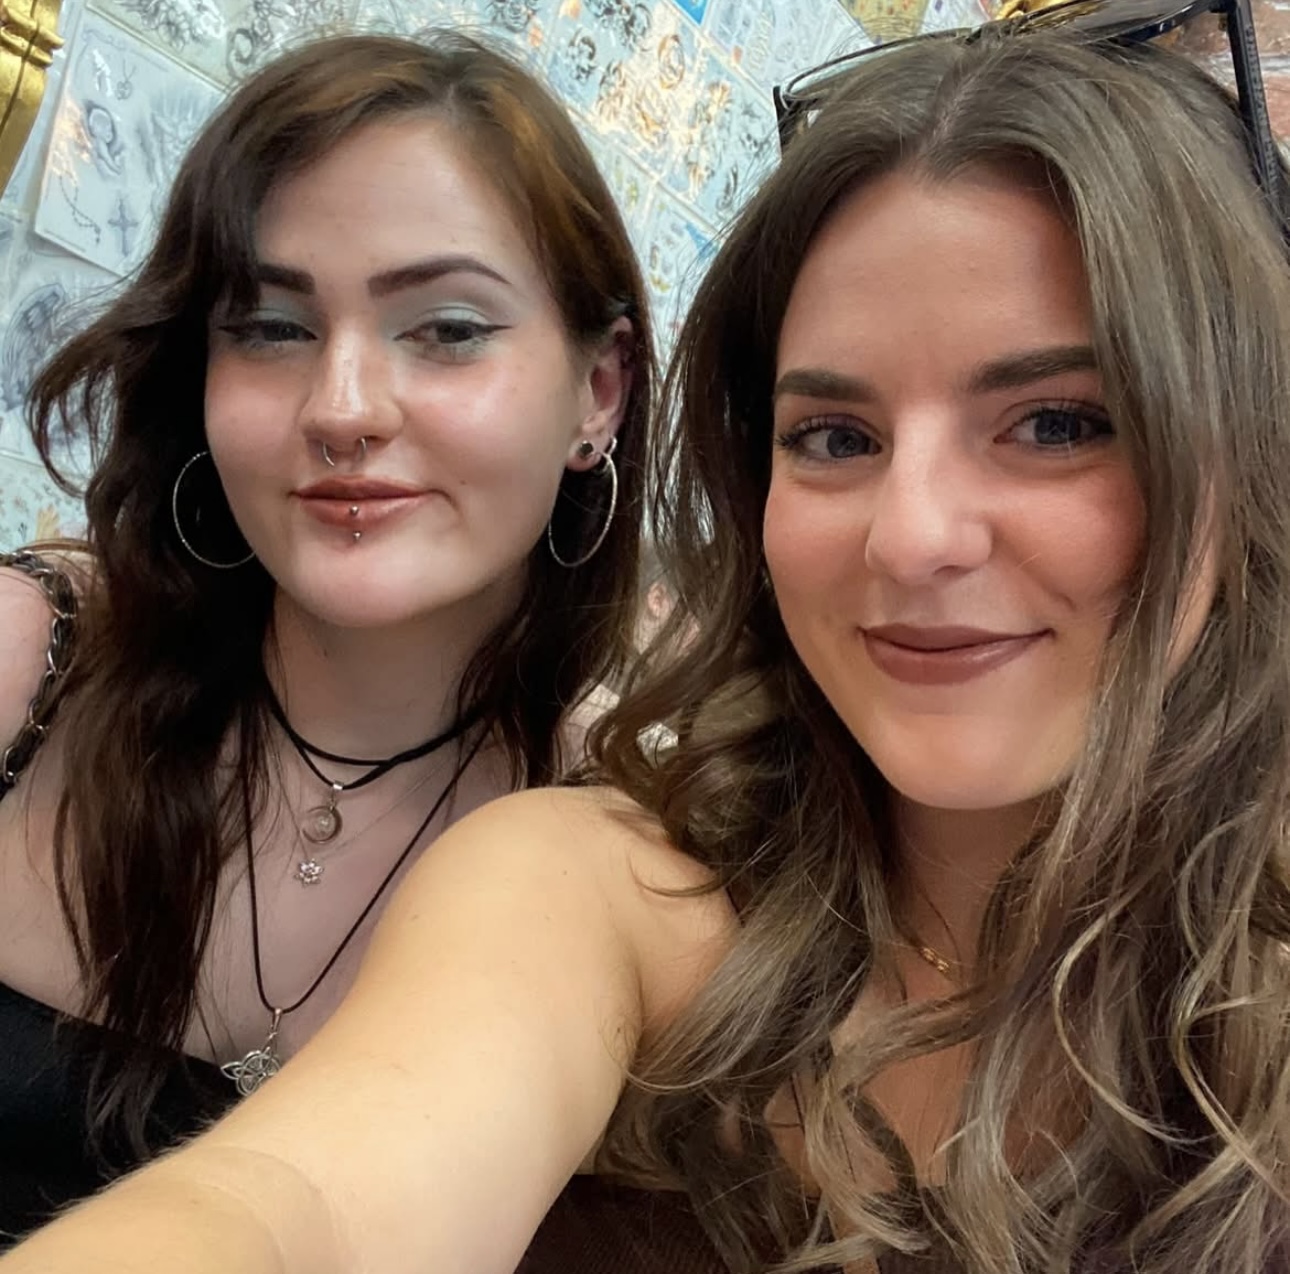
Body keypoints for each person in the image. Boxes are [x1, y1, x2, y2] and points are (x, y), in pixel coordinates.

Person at [7, 18, 1290, 1274]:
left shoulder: (592, 768)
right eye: (835, 437)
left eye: (1058, 423)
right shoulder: (611, 878)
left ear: (603, 388)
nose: (912, 537)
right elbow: (306, 1202)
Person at [0, 29, 652, 1245]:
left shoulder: (624, 840)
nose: (342, 409)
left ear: (598, 390)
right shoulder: (31, 657)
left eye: (447, 329)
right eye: (270, 326)